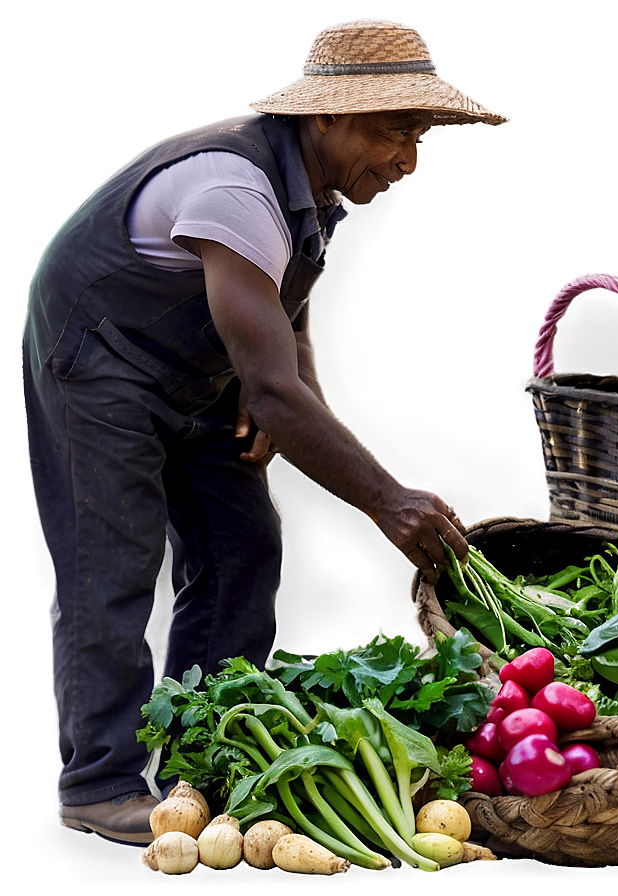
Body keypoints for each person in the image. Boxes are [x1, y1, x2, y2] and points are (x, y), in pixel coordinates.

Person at [21, 17, 506, 846]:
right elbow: (275, 378)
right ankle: (97, 785)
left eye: (415, 136)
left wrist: (276, 391)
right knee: (112, 564)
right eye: (393, 132)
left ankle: (191, 770)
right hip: (98, 357)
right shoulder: (233, 188)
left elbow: (286, 324)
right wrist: (382, 498)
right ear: (325, 117)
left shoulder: (310, 191)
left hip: (195, 368)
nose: (406, 160)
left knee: (244, 545)